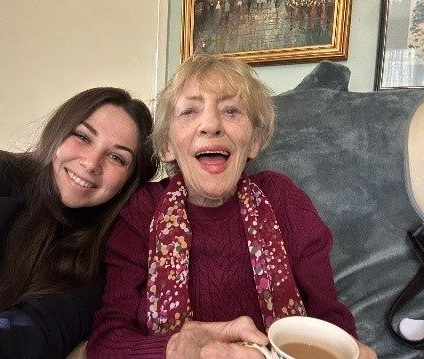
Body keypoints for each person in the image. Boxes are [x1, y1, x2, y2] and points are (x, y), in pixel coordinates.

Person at [86, 54, 377, 358]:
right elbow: (107, 341)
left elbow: (330, 321)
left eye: (231, 110)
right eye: (189, 111)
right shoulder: (141, 211)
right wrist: (173, 349)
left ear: (254, 141)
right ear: (167, 146)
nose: (210, 125)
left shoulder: (283, 200)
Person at [0, 87, 158, 358]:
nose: (92, 163)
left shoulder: (98, 261)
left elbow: (40, 330)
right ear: (57, 131)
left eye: (117, 157)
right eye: (82, 136)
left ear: (130, 182)